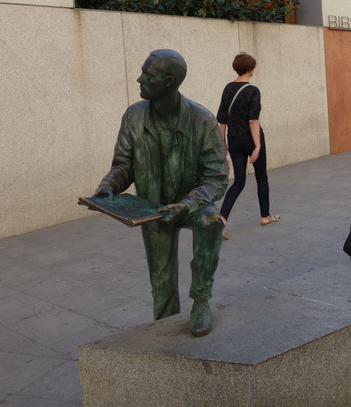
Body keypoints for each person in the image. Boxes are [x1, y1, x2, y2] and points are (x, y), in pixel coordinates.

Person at [92, 50, 228, 336]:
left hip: (190, 204)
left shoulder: (202, 121)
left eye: (148, 75)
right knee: (162, 281)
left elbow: (216, 177)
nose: (140, 79)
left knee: (210, 220)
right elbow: (124, 165)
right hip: (153, 207)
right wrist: (109, 185)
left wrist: (186, 204)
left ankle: (201, 300)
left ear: (169, 81)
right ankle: (165, 330)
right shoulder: (133, 116)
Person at [216, 53, 280, 240]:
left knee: (238, 182)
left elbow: (221, 120)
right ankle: (265, 217)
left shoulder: (228, 88)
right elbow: (253, 121)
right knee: (261, 178)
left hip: (234, 139)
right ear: (251, 69)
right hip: (251, 139)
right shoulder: (253, 90)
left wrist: (223, 144)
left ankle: (222, 221)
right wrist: (258, 146)